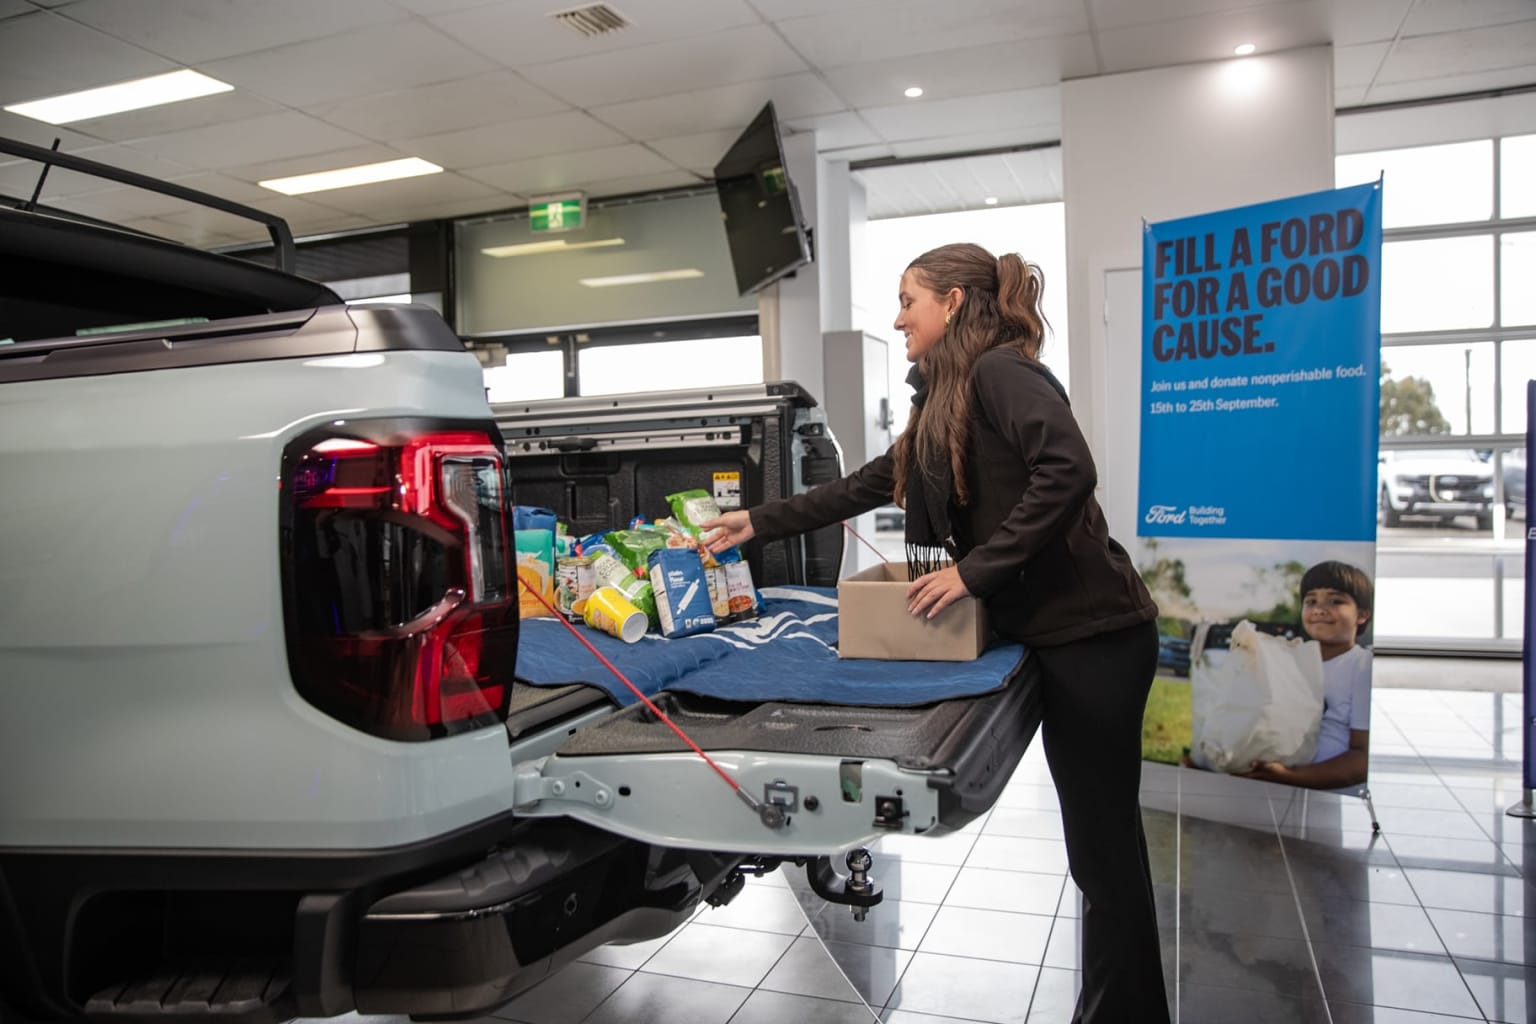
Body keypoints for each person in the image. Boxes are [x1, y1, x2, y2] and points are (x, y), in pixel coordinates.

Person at [700, 242, 1169, 1024]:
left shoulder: (1000, 373)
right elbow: (866, 484)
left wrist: (973, 570)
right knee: (1098, 851)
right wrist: (756, 520)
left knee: (1103, 850)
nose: (896, 318)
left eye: (907, 300)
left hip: (1098, 635)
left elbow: (1068, 469)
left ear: (952, 303)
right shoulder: (943, 398)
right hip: (1053, 636)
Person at [1239, 560, 1372, 789]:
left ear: (1362, 615)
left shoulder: (1361, 665)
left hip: (1329, 793)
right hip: (1275, 786)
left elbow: (1361, 757)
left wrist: (1292, 776)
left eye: (1335, 601)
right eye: (1311, 601)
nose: (1320, 609)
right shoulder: (1288, 660)